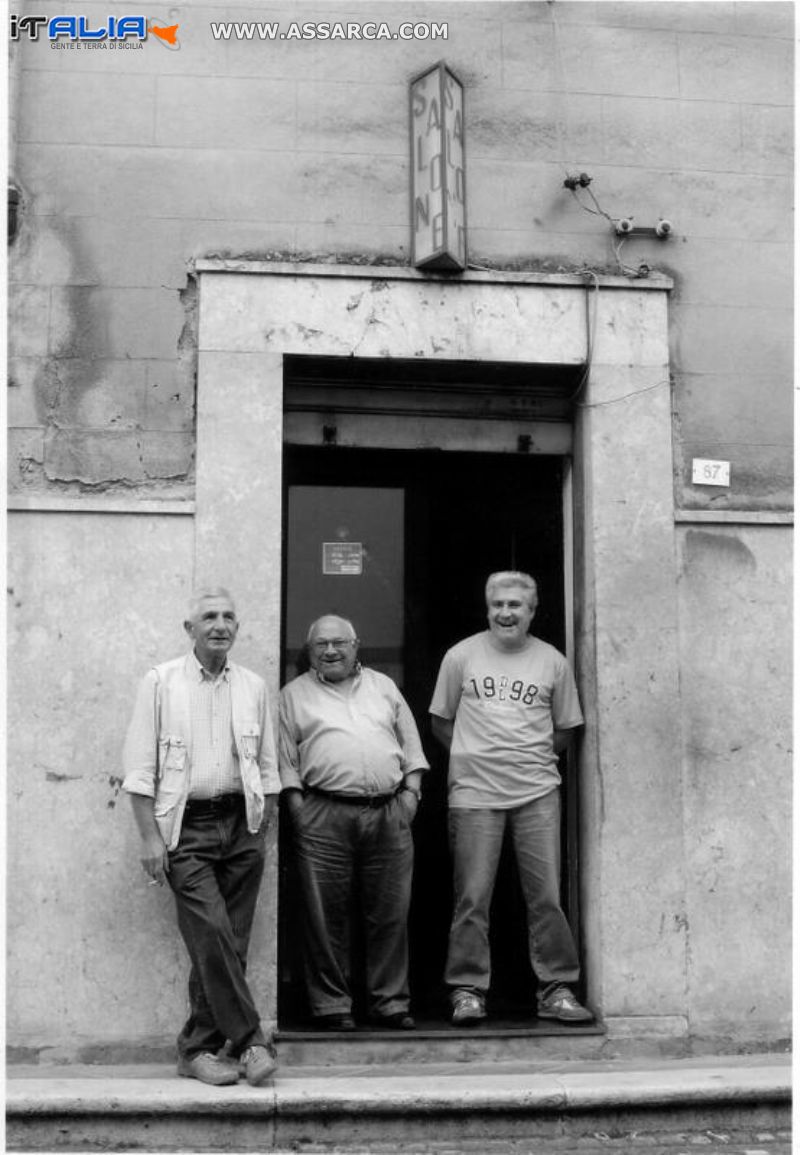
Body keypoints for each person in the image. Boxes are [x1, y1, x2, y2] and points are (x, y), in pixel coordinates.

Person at [122, 587, 281, 1086]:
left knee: (228, 944)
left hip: (242, 828)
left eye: (229, 617)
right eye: (209, 617)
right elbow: (140, 770)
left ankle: (198, 1048)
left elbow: (269, 767)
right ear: (189, 629)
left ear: (238, 628)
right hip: (184, 829)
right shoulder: (161, 682)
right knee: (212, 933)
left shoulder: (253, 686)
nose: (220, 624)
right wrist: (150, 839)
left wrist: (262, 830)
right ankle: (253, 1040)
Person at [429, 570, 592, 1026]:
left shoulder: (552, 662)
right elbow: (443, 722)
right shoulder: (460, 656)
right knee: (471, 898)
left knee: (546, 898)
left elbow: (564, 730)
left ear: (532, 611)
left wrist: (524, 759)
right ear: (487, 608)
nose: (506, 613)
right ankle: (466, 990)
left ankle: (556, 988)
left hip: (537, 793)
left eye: (515, 605)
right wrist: (475, 757)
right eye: (498, 604)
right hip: (474, 795)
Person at [279, 614, 428, 1031]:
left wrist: (411, 794)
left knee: (391, 913)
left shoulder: (383, 687)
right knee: (325, 917)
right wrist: (297, 807)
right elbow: (285, 758)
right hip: (323, 813)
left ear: (356, 645)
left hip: (388, 811)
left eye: (339, 643)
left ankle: (389, 1003)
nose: (330, 651)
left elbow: (410, 743)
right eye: (320, 645)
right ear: (309, 652)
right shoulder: (293, 695)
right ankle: (331, 1005)